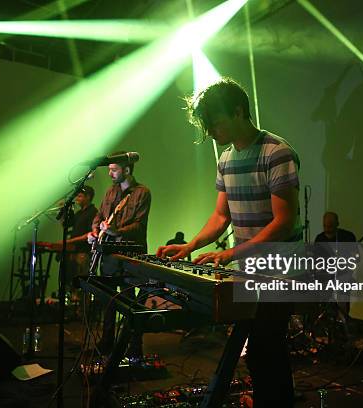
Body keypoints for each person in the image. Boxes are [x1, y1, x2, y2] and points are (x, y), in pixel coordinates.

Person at [157, 77, 301, 406]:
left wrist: (231, 253)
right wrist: (190, 246)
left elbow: (283, 222)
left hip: (280, 270)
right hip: (247, 268)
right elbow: (221, 217)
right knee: (255, 353)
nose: (211, 132)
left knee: (268, 350)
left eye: (215, 123)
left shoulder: (277, 153)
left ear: (239, 111)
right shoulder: (224, 159)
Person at [88, 151, 151, 356]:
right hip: (109, 255)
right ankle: (107, 343)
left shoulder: (142, 192)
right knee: (108, 299)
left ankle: (134, 347)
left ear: (127, 169)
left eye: (114, 170)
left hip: (131, 254)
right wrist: (95, 230)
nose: (110, 174)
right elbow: (99, 215)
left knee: (132, 302)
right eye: (109, 170)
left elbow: (139, 225)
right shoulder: (110, 192)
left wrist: (117, 231)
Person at [53, 186, 97, 307]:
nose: (77, 198)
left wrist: (70, 241)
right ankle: (73, 308)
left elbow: (90, 234)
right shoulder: (78, 213)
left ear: (88, 197)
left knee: (83, 283)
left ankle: (83, 312)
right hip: (74, 252)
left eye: (80, 196)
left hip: (84, 253)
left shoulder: (93, 212)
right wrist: (61, 211)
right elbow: (66, 225)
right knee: (71, 282)